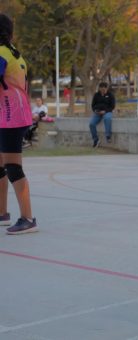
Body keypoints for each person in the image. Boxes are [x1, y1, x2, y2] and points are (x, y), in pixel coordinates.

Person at [0, 14, 38, 234]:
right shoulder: (10, 51)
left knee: (13, 167)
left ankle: (27, 218)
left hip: (11, 116)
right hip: (10, 113)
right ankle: (3, 213)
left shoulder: (2, 53)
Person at [89, 82, 115, 148]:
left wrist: (105, 111)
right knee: (91, 124)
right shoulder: (96, 95)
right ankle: (96, 140)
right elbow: (93, 105)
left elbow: (112, 106)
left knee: (107, 118)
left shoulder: (110, 95)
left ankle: (108, 136)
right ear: (99, 88)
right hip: (98, 112)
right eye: (102, 88)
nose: (103, 90)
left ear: (107, 88)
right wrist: (95, 110)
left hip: (107, 112)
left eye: (105, 88)